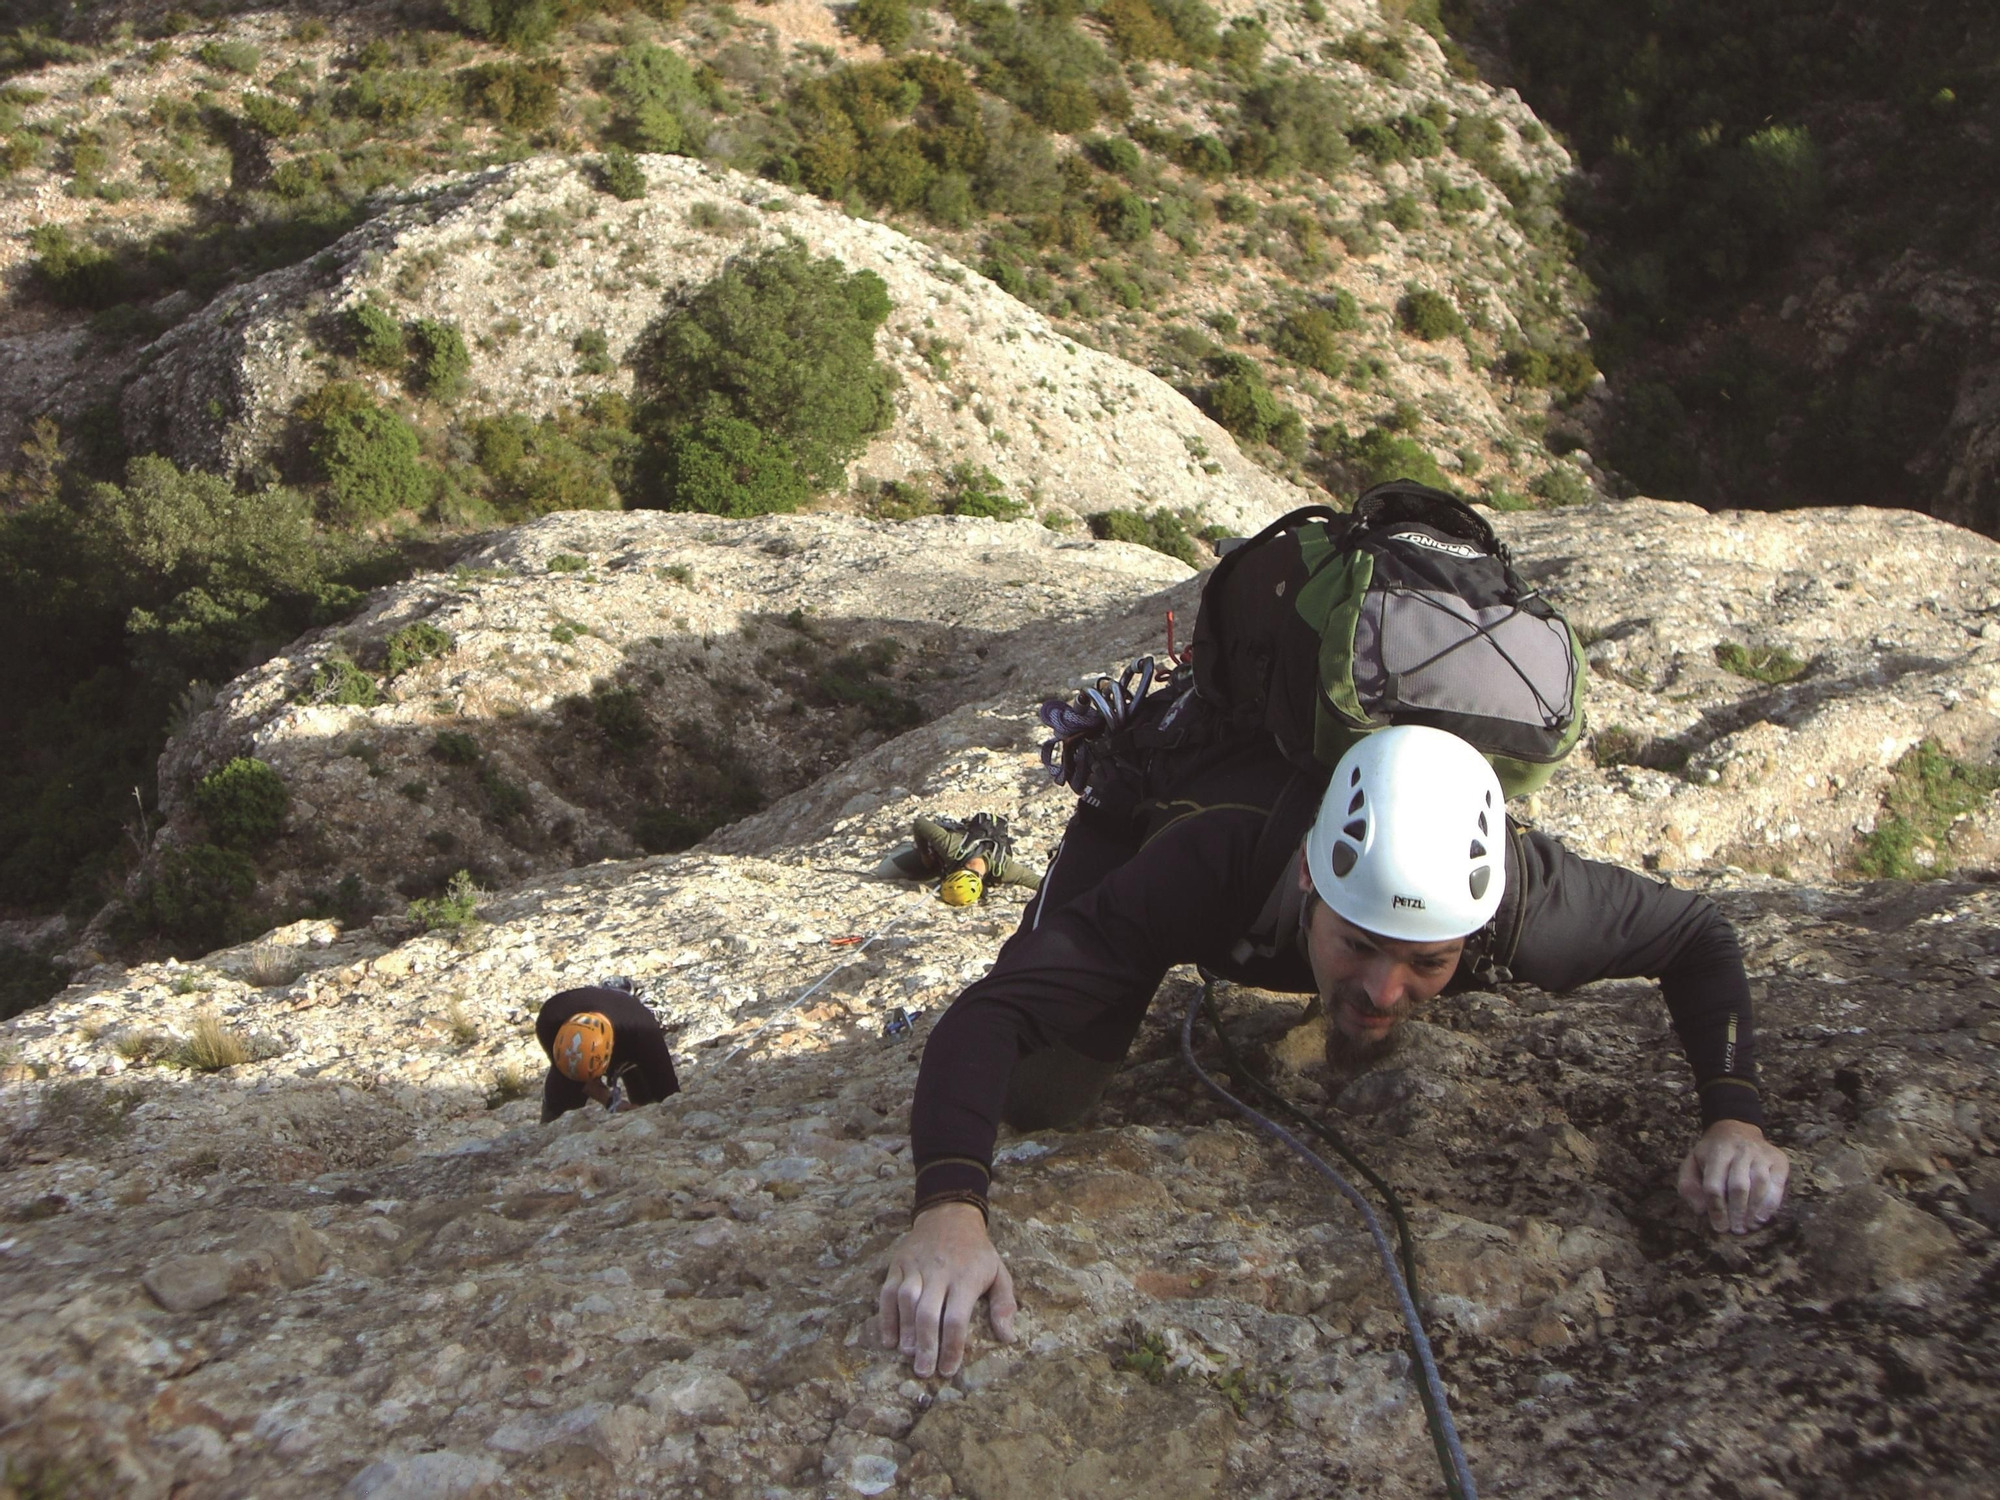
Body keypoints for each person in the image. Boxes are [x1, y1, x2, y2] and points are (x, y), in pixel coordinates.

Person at [878, 723, 1791, 1378]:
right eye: (1355, 944)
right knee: (1043, 1096)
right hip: (1163, 820)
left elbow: (1699, 936)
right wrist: (950, 1209)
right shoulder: (1212, 859)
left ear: (1473, 934)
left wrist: (1734, 1116)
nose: (1384, 992)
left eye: (1428, 963)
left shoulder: (1530, 906)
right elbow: (991, 1017)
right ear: (1312, 880)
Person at [536, 981, 681, 1123]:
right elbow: (573, 1076)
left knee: (651, 1103)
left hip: (629, 1041)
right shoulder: (550, 1020)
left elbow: (670, 1095)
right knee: (561, 1098)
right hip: (576, 1020)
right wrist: (610, 1100)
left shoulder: (644, 1033)